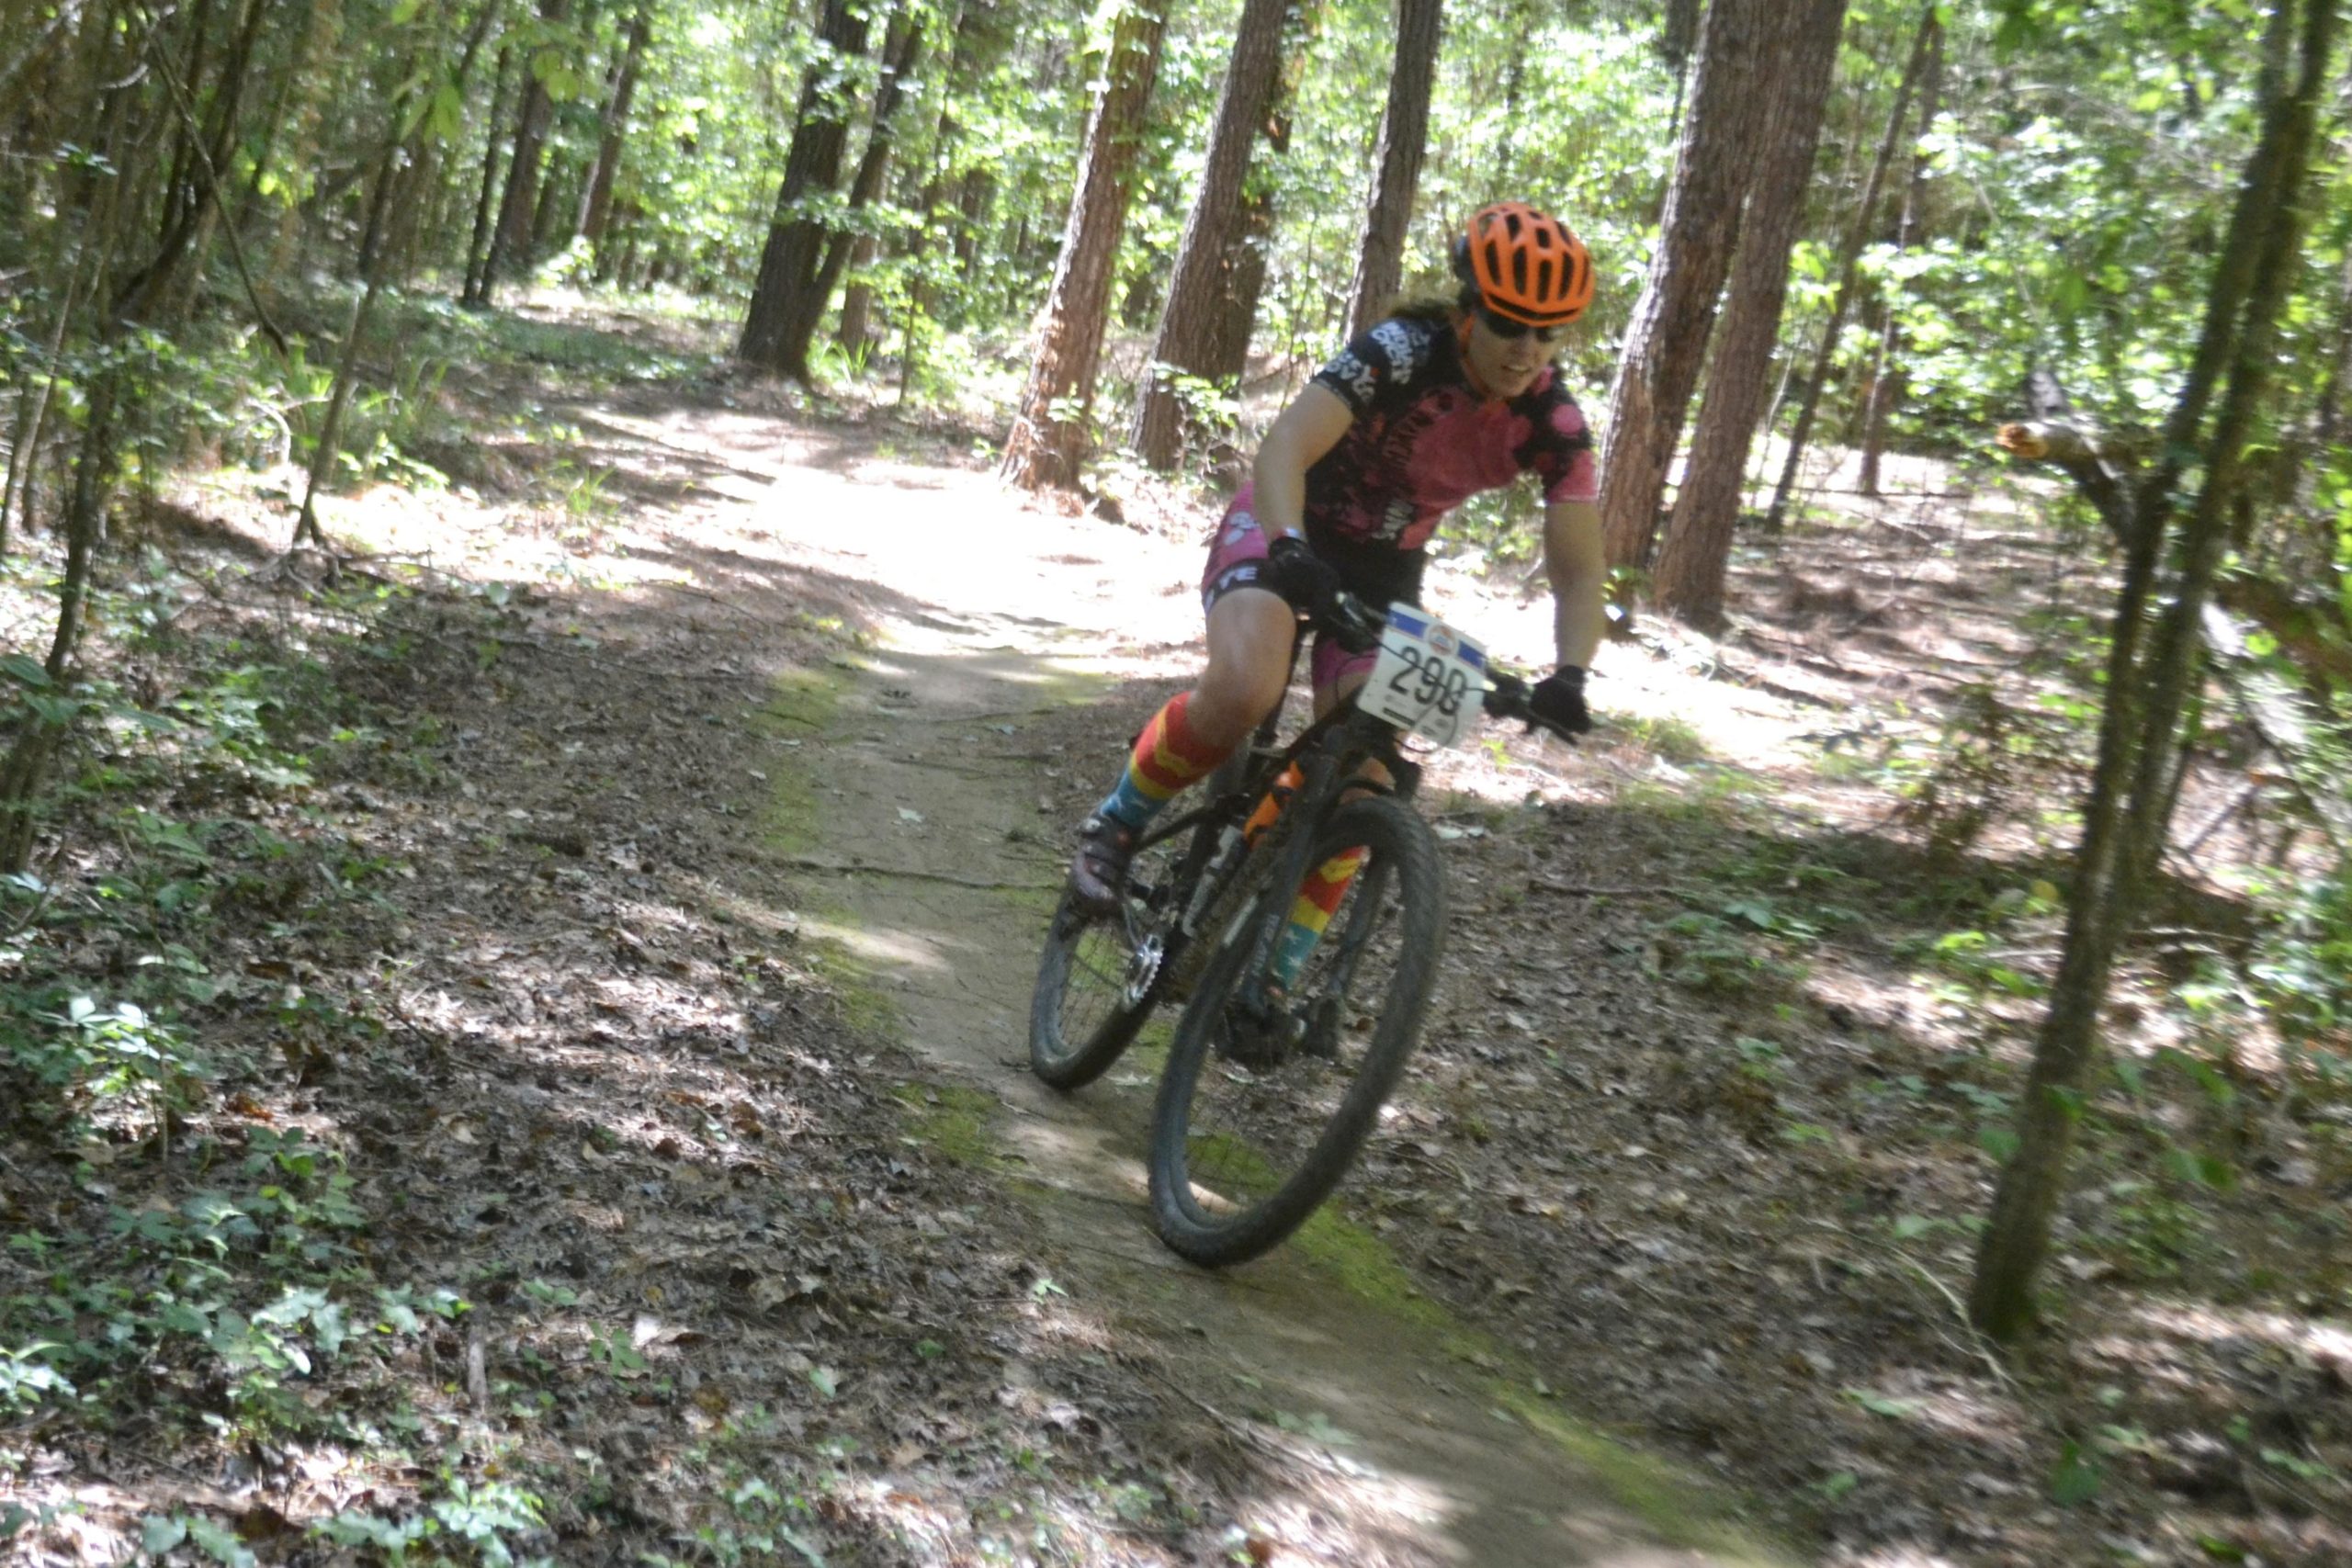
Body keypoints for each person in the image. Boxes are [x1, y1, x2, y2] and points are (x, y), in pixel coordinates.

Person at [1069, 200, 1608, 942]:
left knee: (1367, 769)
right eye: (1510, 323)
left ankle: (1274, 968)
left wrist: (1571, 674)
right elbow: (1285, 447)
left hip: (1385, 569)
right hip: (1286, 521)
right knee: (1246, 687)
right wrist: (1289, 544)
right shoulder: (1402, 351)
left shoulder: (1554, 421)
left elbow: (1580, 572)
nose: (1527, 349)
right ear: (1469, 310)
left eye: (1548, 332)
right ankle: (1116, 823)